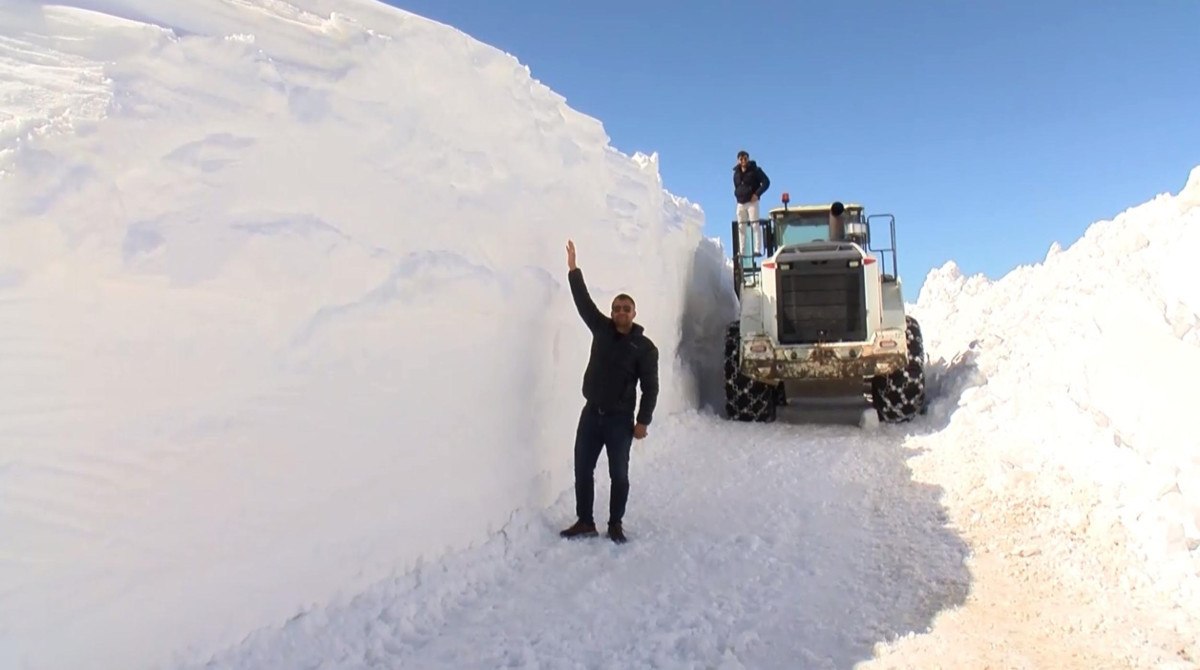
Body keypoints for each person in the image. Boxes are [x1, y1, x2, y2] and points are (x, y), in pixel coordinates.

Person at [560, 239, 659, 544]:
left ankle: (615, 523)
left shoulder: (644, 347)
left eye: (625, 309)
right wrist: (573, 269)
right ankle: (585, 521)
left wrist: (643, 421)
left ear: (634, 313)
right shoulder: (601, 329)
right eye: (616, 308)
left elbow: (651, 387)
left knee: (619, 474)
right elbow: (583, 302)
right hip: (591, 414)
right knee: (582, 469)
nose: (620, 312)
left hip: (619, 419)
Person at [732, 150, 770, 258]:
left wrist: (757, 194)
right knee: (741, 227)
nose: (743, 161)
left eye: (745, 158)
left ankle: (757, 249)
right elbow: (736, 186)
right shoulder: (736, 173)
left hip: (752, 202)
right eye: (741, 159)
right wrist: (737, 195)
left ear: (748, 159)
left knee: (755, 224)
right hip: (740, 203)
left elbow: (766, 182)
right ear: (738, 160)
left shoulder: (755, 170)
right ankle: (742, 251)